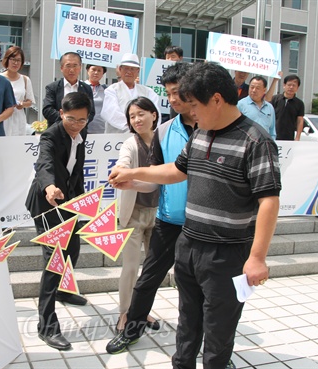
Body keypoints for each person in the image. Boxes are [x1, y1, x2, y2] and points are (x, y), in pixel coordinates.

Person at [108, 62, 281, 369]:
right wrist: (132, 173)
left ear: (216, 99)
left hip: (227, 253)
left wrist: (257, 257)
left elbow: (268, 200)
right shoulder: (200, 134)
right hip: (189, 244)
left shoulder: (256, 141)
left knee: (218, 329)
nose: (190, 112)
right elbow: (176, 170)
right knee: (187, 323)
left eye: (193, 105)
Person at [106, 61, 196, 354]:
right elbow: (157, 176)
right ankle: (130, 324)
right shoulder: (163, 133)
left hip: (199, 223)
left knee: (193, 285)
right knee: (144, 277)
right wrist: (129, 180)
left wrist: (134, 178)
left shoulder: (213, 128)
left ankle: (202, 342)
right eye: (168, 93)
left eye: (177, 93)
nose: (173, 99)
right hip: (161, 220)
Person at [25, 92, 92, 350]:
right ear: (61, 113)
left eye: (82, 120)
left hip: (69, 203)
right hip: (46, 204)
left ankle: (64, 291)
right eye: (71, 119)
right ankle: (47, 326)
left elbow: (77, 172)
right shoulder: (51, 135)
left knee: (72, 250)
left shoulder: (81, 136)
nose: (75, 124)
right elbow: (44, 164)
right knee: (54, 259)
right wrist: (50, 187)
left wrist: (84, 202)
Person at [115, 97, 160, 332]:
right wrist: (121, 171)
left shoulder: (164, 142)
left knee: (152, 270)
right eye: (132, 117)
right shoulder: (130, 144)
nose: (136, 119)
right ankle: (124, 312)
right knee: (130, 267)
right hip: (133, 214)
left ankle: (142, 311)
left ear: (154, 114)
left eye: (141, 113)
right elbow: (123, 162)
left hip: (160, 214)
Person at [102, 53, 161, 133]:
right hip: (116, 138)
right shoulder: (112, 90)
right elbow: (111, 113)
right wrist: (134, 126)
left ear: (138, 71)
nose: (129, 72)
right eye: (126, 68)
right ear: (120, 69)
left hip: (143, 136)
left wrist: (144, 129)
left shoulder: (148, 92)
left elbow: (156, 114)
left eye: (132, 69)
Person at [42, 52, 95, 130]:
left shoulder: (86, 88)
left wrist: (79, 122)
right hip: (57, 131)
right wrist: (67, 121)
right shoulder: (52, 87)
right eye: (68, 66)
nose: (71, 70)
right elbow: (47, 110)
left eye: (75, 66)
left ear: (80, 67)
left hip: (79, 132)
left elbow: (91, 112)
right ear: (61, 68)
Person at [0, 46, 36, 135]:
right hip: (2, 118)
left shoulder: (25, 79)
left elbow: (30, 101)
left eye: (18, 60)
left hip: (19, 119)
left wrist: (22, 104)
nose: (15, 63)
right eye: (13, 59)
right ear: (7, 60)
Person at [237, 76, 276, 140]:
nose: (254, 90)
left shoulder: (269, 107)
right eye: (252, 87)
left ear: (264, 90)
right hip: (246, 145)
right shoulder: (240, 105)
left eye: (258, 88)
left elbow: (272, 130)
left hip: (265, 145)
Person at [269, 74, 305, 141]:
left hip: (289, 137)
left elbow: (300, 121)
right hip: (272, 135)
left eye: (294, 85)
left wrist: (297, 137)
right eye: (289, 85)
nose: (291, 87)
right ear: (284, 85)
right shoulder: (274, 99)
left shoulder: (299, 103)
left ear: (297, 88)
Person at [84, 64, 108, 134]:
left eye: (99, 70)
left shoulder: (106, 90)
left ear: (103, 74)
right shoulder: (80, 87)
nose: (96, 73)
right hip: (83, 127)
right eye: (93, 69)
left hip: (101, 128)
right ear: (88, 70)